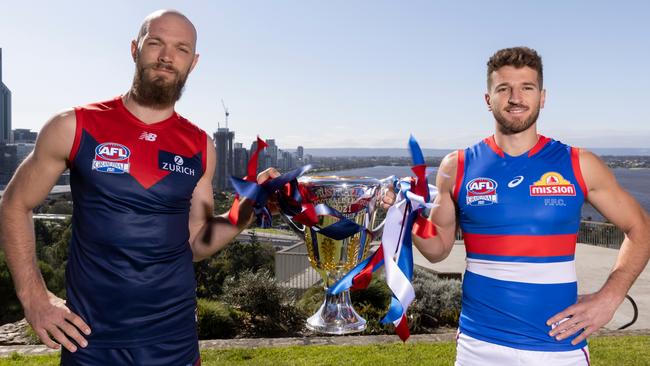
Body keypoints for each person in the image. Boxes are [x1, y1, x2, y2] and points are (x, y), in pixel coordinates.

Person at [0, 9, 277, 365]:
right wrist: (34, 297)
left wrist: (246, 208)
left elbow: (196, 243)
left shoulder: (199, 146)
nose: (166, 56)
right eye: (155, 43)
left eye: (181, 49)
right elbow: (14, 203)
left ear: (193, 62)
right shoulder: (74, 126)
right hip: (91, 341)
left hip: (173, 341)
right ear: (135, 49)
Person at [384, 47, 650, 365]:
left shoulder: (580, 163)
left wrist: (611, 296)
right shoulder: (456, 166)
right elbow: (439, 247)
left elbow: (640, 227)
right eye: (504, 88)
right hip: (478, 347)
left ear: (542, 96)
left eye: (526, 87)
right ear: (488, 99)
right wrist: (404, 214)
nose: (516, 97)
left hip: (558, 347)